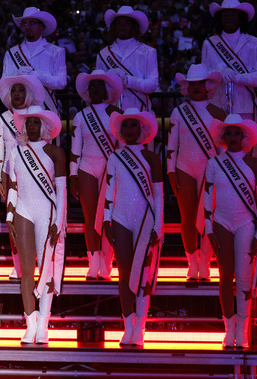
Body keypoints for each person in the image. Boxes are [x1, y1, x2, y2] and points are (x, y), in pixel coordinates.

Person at [205, 114, 257, 348]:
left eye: (237, 133)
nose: (233, 137)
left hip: (246, 224)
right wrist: (209, 229)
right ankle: (228, 329)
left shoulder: (254, 164)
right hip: (221, 222)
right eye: (229, 133)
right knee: (224, 277)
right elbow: (206, 198)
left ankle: (242, 329)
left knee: (243, 278)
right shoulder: (213, 163)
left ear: (245, 137)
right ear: (223, 136)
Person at [103, 108, 163, 346]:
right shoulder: (114, 157)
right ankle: (128, 325)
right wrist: (106, 219)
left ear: (142, 129)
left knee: (144, 274)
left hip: (145, 219)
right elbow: (109, 190)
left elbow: (158, 194)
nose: (129, 130)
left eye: (133, 126)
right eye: (125, 126)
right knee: (125, 273)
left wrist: (158, 225)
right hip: (120, 218)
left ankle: (141, 326)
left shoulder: (151, 158)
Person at [7, 106, 66, 344]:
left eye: (35, 123)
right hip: (23, 209)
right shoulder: (16, 151)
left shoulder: (55, 152)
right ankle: (30, 323)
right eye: (28, 123)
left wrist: (57, 221)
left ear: (45, 126)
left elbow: (61, 190)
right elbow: (13, 186)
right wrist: (9, 216)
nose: (31, 127)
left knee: (47, 267)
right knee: (26, 271)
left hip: (47, 211)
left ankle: (43, 323)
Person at [167, 64, 225, 281]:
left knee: (209, 217)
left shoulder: (219, 113)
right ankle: (192, 263)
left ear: (208, 86)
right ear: (187, 87)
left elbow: (222, 149)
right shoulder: (178, 112)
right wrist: (171, 171)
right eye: (192, 84)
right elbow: (172, 144)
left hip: (211, 170)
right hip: (184, 168)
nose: (196, 88)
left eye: (200, 83)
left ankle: (205, 262)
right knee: (188, 217)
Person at [70, 70, 123, 280]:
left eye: (99, 85)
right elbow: (75, 149)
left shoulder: (117, 114)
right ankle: (93, 263)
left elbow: (121, 147)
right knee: (91, 218)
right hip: (87, 168)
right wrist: (73, 176)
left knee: (108, 218)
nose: (95, 89)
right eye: (92, 86)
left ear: (107, 89)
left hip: (111, 169)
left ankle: (107, 264)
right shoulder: (81, 116)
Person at [0, 74, 46, 279]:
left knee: (37, 218)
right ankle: (19, 264)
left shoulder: (38, 116)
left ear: (29, 93)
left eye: (21, 90)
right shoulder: (2, 118)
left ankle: (39, 263)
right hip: (9, 172)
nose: (17, 94)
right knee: (13, 218)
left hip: (35, 173)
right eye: (13, 90)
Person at [201, 0, 257, 123]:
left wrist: (236, 77)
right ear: (220, 18)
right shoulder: (209, 43)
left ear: (241, 18)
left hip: (245, 108)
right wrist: (218, 73)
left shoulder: (256, 44)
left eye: (233, 14)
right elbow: (204, 75)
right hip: (216, 106)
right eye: (225, 14)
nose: (229, 18)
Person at [2, 7, 66, 116]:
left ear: (41, 26)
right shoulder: (11, 53)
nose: (27, 27)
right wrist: (17, 75)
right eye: (24, 24)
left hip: (46, 111)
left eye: (32, 23)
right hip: (19, 112)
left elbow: (61, 82)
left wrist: (36, 75)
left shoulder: (56, 51)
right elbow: (3, 84)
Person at [96, 6, 157, 112]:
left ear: (134, 26)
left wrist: (127, 80)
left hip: (139, 110)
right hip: (110, 112)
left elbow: (152, 85)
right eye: (119, 23)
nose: (122, 27)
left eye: (126, 23)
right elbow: (99, 86)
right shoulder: (103, 54)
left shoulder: (148, 52)